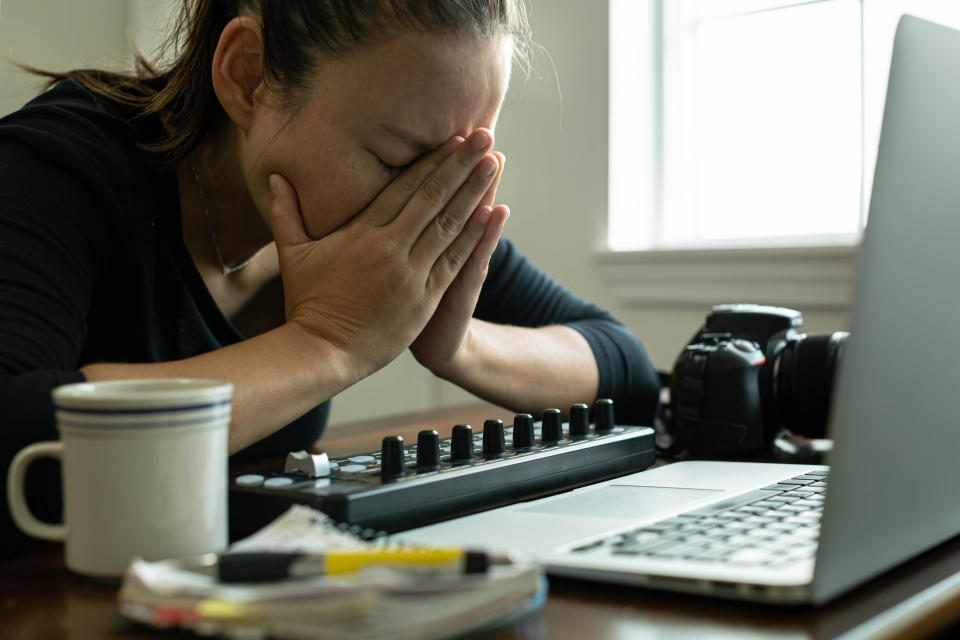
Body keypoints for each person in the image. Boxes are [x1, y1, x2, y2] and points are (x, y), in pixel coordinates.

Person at [0, 0, 659, 555]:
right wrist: (326, 343)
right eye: (396, 155)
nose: (428, 199)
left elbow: (624, 370)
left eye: (458, 162)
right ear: (248, 76)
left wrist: (455, 343)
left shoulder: (393, 205)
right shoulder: (56, 172)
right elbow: (12, 432)